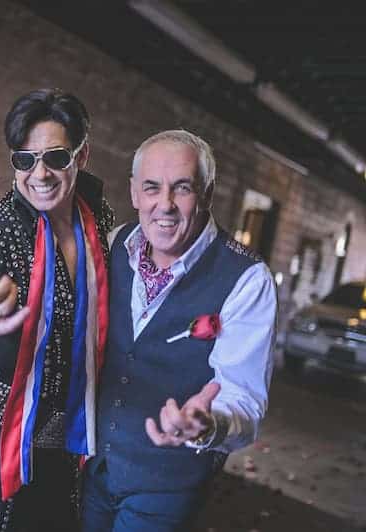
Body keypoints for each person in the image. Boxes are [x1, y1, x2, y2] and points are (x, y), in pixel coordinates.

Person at [81, 129, 277, 531]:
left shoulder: (247, 278)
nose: (164, 205)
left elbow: (243, 397)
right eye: (152, 187)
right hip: (93, 468)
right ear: (135, 193)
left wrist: (208, 425)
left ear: (206, 194)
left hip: (167, 486)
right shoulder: (115, 244)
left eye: (182, 188)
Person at [0, 88, 115, 531]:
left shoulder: (100, 218)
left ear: (82, 155)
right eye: (25, 159)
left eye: (55, 157)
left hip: (74, 436)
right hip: (0, 432)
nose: (40, 173)